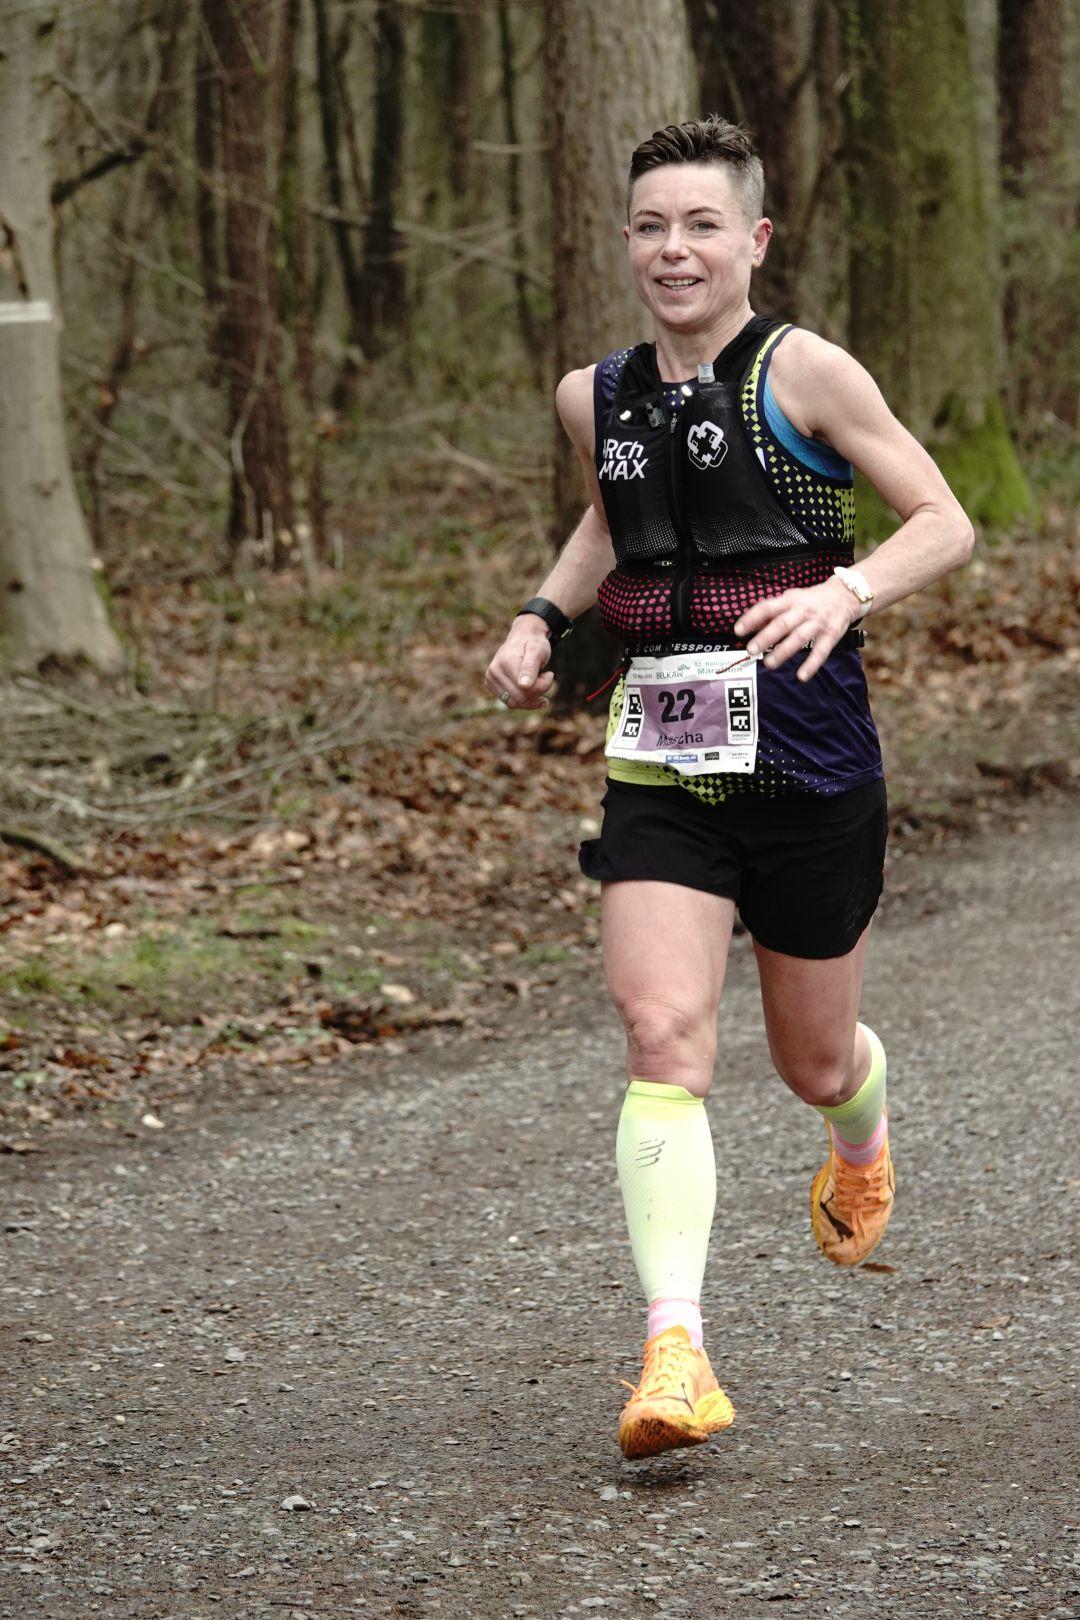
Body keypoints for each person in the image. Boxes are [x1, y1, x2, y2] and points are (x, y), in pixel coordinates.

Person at [484, 117, 973, 1461]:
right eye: (652, 227)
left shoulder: (805, 371)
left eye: (702, 225)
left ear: (752, 240)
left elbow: (944, 520)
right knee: (662, 1036)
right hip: (661, 762)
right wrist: (540, 618)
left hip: (810, 761)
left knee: (813, 1058)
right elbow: (612, 520)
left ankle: (860, 1132)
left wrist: (846, 589)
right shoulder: (593, 394)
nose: (675, 250)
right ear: (626, 241)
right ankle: (675, 1351)